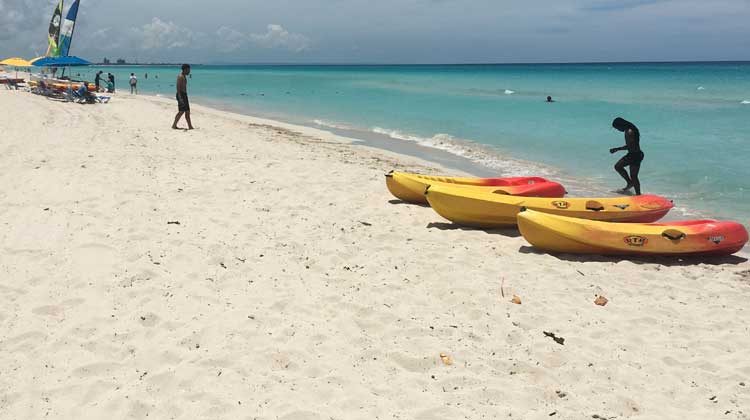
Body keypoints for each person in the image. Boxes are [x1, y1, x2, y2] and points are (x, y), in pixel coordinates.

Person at [610, 117, 644, 195]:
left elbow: (631, 146)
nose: (618, 130)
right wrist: (617, 149)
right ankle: (630, 184)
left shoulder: (629, 132)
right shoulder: (628, 130)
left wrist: (617, 149)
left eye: (617, 128)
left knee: (633, 176)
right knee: (618, 166)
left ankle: (638, 195)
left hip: (635, 156)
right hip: (633, 154)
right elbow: (630, 145)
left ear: (621, 125)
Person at [172, 64, 194, 130]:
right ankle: (174, 125)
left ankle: (190, 126)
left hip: (184, 95)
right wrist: (180, 97)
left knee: (187, 111)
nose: (189, 71)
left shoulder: (184, 76)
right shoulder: (180, 77)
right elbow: (178, 88)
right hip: (181, 95)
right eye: (188, 70)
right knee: (181, 111)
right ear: (184, 70)